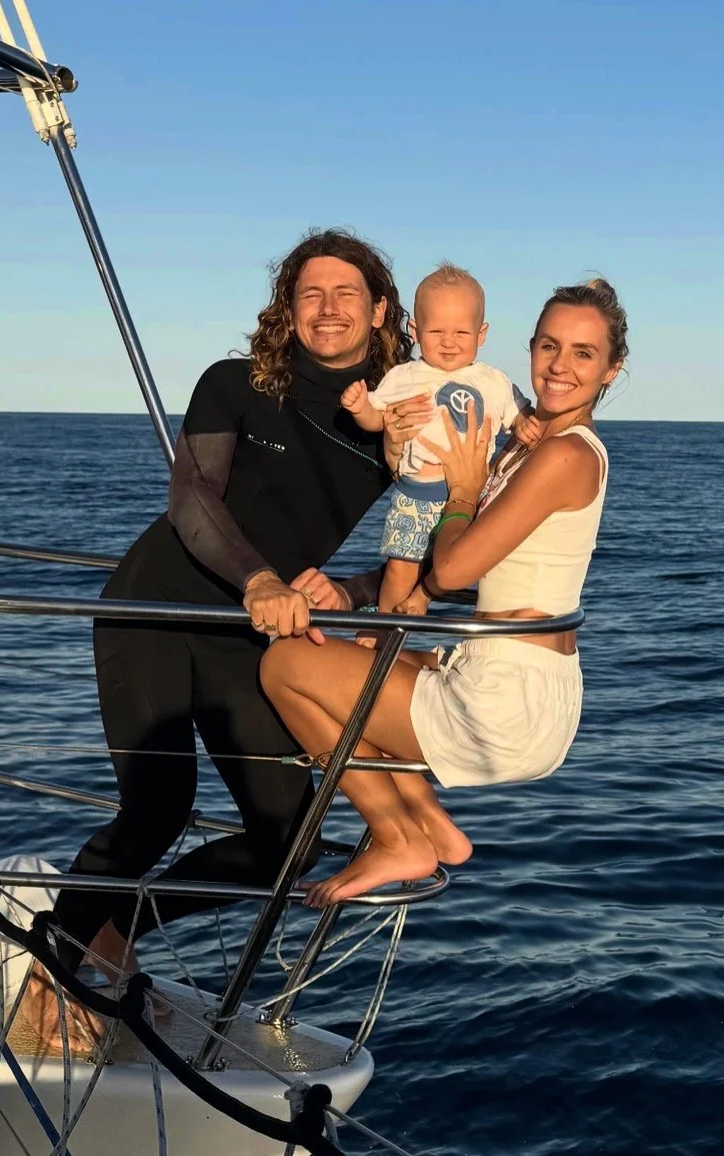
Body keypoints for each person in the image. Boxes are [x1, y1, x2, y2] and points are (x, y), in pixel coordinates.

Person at [21, 228, 421, 1046]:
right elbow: (193, 498)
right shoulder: (236, 383)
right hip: (157, 608)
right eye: (309, 293)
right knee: (156, 808)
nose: (328, 308)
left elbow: (437, 537)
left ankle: (112, 933)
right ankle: (50, 970)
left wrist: (347, 590)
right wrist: (261, 580)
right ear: (287, 308)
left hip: (252, 636)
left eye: (346, 293)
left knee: (288, 843)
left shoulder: (396, 419)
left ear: (380, 310)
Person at [260, 278, 627, 907]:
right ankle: (430, 826)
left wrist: (463, 489)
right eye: (549, 346)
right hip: (502, 673)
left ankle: (396, 835)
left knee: (284, 665)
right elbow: (449, 549)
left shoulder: (565, 455)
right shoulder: (529, 444)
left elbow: (454, 569)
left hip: (506, 701)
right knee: (361, 652)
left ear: (611, 370)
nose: (560, 366)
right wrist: (354, 589)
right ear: (530, 348)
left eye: (583, 353)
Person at [341, 263, 541, 617]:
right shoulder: (404, 376)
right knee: (400, 570)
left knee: (472, 568)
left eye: (461, 332)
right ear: (415, 331)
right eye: (436, 331)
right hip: (417, 493)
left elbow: (517, 414)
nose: (449, 342)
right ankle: (382, 628)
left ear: (481, 334)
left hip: (474, 498)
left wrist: (524, 424)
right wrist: (360, 408)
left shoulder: (493, 381)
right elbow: (378, 419)